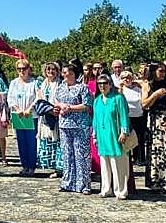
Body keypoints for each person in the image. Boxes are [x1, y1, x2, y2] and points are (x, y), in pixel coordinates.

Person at [54, 64, 93, 194]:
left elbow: (87, 105)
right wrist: (59, 107)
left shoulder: (82, 87)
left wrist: (70, 107)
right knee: (67, 154)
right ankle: (68, 183)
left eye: (67, 72)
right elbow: (57, 101)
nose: (64, 75)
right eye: (63, 72)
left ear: (73, 74)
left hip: (80, 126)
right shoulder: (60, 88)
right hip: (64, 125)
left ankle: (84, 185)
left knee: (81, 155)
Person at [92, 74, 131, 199]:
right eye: (100, 83)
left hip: (115, 134)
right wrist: (95, 135)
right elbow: (95, 119)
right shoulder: (97, 100)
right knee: (104, 164)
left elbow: (124, 116)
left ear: (110, 84)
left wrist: (124, 131)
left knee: (118, 164)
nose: (102, 86)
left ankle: (120, 191)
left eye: (105, 83)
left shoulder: (117, 98)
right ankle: (106, 189)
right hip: (102, 136)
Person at [141, 62, 166, 192]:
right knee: (155, 152)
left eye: (165, 71)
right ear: (154, 71)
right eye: (160, 71)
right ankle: (156, 182)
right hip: (154, 121)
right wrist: (155, 95)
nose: (163, 73)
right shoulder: (147, 85)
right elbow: (144, 104)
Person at [7, 59, 38, 176]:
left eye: (23, 69)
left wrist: (30, 108)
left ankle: (31, 166)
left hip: (31, 115)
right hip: (18, 115)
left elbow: (37, 97)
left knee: (31, 141)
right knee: (21, 141)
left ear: (28, 69)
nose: (21, 71)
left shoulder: (34, 82)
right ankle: (24, 165)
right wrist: (17, 108)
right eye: (19, 69)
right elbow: (10, 98)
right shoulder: (14, 83)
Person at [36, 62, 63, 178]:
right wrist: (47, 109)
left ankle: (60, 168)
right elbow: (40, 99)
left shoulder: (61, 84)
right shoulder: (43, 84)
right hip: (46, 116)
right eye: (48, 70)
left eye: (53, 70)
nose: (51, 72)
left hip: (57, 116)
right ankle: (52, 166)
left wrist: (55, 110)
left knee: (59, 143)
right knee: (48, 142)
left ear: (57, 71)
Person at [119, 71, 146, 166]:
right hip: (127, 117)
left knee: (139, 139)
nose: (126, 80)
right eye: (124, 78)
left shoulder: (138, 88)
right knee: (128, 139)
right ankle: (129, 159)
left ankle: (140, 159)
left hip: (139, 116)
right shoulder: (121, 90)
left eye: (128, 78)